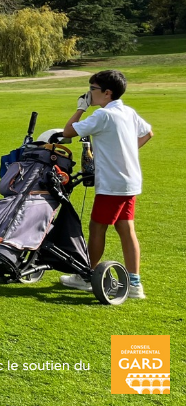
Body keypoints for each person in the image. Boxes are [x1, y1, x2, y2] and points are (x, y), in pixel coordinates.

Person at [59, 70, 153, 299]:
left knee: (97, 227)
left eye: (92, 89)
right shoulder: (128, 112)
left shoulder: (103, 115)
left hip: (112, 183)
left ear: (107, 92)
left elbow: (68, 131)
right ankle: (134, 284)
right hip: (129, 180)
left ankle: (86, 276)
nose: (89, 94)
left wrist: (81, 107)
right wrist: (125, 152)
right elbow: (148, 133)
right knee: (125, 228)